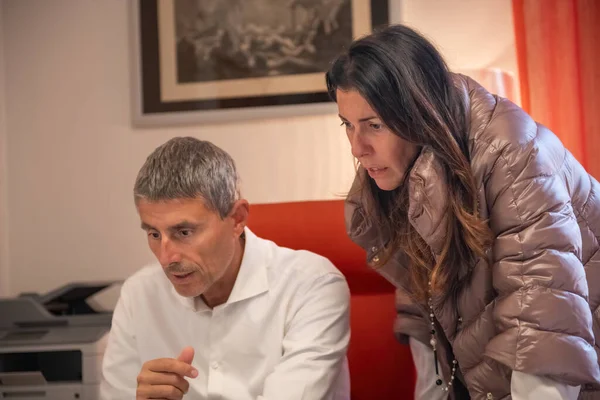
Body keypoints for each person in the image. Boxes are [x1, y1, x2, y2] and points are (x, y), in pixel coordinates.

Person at [326, 24, 600, 400]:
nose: (357, 148)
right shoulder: (394, 177)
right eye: (348, 125)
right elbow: (428, 301)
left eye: (374, 125)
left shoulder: (513, 153)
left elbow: (543, 321)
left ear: (418, 111)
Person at [100, 137, 350, 400]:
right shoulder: (138, 295)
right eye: (153, 234)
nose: (166, 258)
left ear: (237, 219)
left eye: (184, 232)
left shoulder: (312, 285)